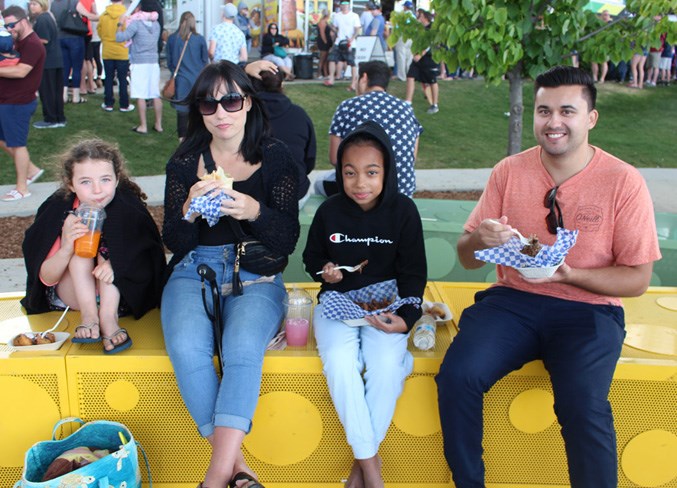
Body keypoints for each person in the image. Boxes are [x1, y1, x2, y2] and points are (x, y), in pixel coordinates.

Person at [435, 66, 662, 488]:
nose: (553, 122)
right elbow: (468, 258)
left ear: (590, 118)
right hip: (514, 302)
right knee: (457, 377)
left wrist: (571, 274)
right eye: (543, 111)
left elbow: (636, 280)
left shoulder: (623, 181)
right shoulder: (509, 171)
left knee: (583, 404)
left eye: (567, 111)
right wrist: (479, 238)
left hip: (589, 312)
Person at [161, 60, 300, 488]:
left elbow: (287, 240)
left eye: (231, 100)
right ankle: (237, 469)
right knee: (187, 348)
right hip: (194, 268)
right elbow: (174, 240)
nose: (220, 112)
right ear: (198, 110)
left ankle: (215, 477)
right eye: (208, 103)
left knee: (242, 348)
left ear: (248, 102)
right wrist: (187, 210)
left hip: (255, 272)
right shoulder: (185, 162)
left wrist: (253, 210)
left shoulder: (276, 158)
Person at [302, 120, 426, 488]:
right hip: (338, 303)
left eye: (372, 172)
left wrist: (407, 318)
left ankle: (359, 469)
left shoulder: (403, 211)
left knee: (386, 368)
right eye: (350, 172)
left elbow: (414, 275)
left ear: (387, 171)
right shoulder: (330, 212)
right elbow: (313, 259)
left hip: (386, 303)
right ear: (340, 173)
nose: (360, 183)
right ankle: (372, 471)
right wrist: (325, 272)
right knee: (342, 364)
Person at [21, 138, 166, 354]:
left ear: (117, 180)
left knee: (108, 254)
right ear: (71, 184)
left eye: (105, 180)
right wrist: (67, 247)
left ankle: (108, 319)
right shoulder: (58, 210)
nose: (97, 190)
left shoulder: (129, 209)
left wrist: (117, 265)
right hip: (74, 296)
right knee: (82, 248)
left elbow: (148, 258)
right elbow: (46, 278)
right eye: (86, 182)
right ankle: (90, 315)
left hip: (121, 295)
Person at [316, 60, 422, 198]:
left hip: (364, 194)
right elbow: (412, 157)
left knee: (319, 182)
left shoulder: (348, 106)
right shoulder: (406, 109)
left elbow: (335, 158)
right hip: (402, 193)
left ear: (364, 78)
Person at [250, 67, 316, 205]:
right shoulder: (300, 115)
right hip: (295, 194)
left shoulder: (243, 117)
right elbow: (309, 161)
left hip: (255, 198)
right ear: (281, 84)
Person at [0, 5, 45, 202]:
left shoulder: (33, 44)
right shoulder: (19, 42)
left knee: (18, 145)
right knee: (4, 140)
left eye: (12, 25)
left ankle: (22, 188)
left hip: (18, 103)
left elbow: (21, 71)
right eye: (6, 26)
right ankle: (32, 170)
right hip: (7, 101)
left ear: (23, 20)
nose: (9, 29)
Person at [115, 2, 162, 134]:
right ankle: (159, 124)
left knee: (140, 94)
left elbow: (119, 38)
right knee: (155, 94)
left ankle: (143, 126)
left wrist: (120, 24)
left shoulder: (136, 24)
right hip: (153, 62)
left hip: (139, 62)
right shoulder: (156, 25)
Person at [166, 11, 209, 141]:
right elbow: (204, 61)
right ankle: (197, 136)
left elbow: (170, 62)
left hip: (181, 79)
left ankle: (182, 139)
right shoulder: (200, 39)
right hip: (197, 79)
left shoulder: (173, 38)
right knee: (197, 108)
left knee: (182, 110)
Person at [29, 0, 67, 129]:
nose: (31, 6)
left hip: (48, 61)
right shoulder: (48, 17)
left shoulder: (42, 19)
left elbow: (44, 40)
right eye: (31, 3)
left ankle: (50, 118)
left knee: (48, 91)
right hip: (55, 60)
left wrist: (29, 38)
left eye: (34, 4)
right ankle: (59, 118)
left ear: (42, 5)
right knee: (55, 91)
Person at [50, 0, 96, 104]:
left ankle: (63, 95)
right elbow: (88, 15)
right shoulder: (74, 2)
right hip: (75, 38)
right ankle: (76, 96)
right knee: (76, 68)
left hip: (60, 38)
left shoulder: (53, 3)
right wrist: (103, 17)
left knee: (64, 68)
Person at [97, 0, 133, 112]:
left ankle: (108, 103)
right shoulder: (126, 15)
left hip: (107, 51)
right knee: (123, 79)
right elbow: (130, 32)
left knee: (108, 78)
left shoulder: (104, 15)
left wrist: (106, 40)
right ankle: (124, 104)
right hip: (122, 51)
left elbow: (100, 31)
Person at [404, 9, 440, 114]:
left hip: (429, 59)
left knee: (432, 81)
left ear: (424, 16)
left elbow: (431, 43)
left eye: (419, 16)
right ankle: (408, 102)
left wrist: (421, 54)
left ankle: (434, 105)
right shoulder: (419, 29)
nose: (417, 18)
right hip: (418, 58)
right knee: (410, 76)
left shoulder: (432, 28)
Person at [323, 0, 360, 90]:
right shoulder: (337, 16)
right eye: (343, 5)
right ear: (340, 6)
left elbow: (357, 29)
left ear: (348, 6)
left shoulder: (354, 16)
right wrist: (332, 28)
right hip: (338, 41)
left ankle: (353, 84)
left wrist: (352, 38)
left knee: (352, 63)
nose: (344, 7)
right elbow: (336, 28)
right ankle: (331, 79)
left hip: (350, 43)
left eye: (346, 5)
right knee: (332, 59)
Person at [393, 0, 415, 81]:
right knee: (409, 56)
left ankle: (402, 76)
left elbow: (397, 27)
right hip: (411, 37)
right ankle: (410, 74)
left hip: (402, 36)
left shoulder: (402, 16)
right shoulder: (413, 16)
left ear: (405, 7)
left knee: (401, 55)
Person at [315, 8, 332, 79]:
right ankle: (318, 74)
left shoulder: (326, 22)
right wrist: (325, 42)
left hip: (327, 42)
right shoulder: (322, 22)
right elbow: (322, 34)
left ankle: (325, 73)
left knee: (326, 59)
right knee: (322, 58)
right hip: (323, 42)